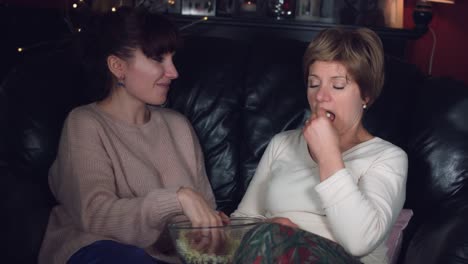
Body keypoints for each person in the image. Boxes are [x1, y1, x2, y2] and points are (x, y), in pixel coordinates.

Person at [38, 7, 227, 264]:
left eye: (172, 59)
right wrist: (178, 198)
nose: (174, 72)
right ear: (117, 66)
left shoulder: (179, 126)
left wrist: (208, 232)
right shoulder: (84, 123)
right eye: (158, 58)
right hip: (98, 250)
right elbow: (95, 215)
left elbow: (201, 216)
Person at [231, 27, 408, 264]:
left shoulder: (388, 157)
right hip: (269, 253)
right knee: (271, 235)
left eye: (337, 86)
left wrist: (328, 155)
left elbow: (360, 242)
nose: (320, 97)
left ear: (366, 95)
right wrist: (271, 231)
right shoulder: (282, 144)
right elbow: (243, 220)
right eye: (314, 84)